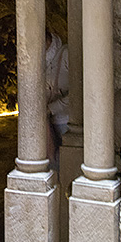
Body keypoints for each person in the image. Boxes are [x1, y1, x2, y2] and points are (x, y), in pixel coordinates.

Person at [45, 28, 69, 169]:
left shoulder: (65, 54)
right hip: (49, 123)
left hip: (67, 122)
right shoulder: (37, 59)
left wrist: (51, 108)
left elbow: (80, 92)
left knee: (65, 166)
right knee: (52, 165)